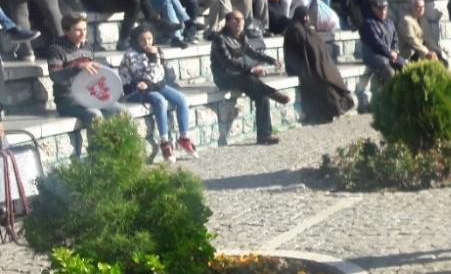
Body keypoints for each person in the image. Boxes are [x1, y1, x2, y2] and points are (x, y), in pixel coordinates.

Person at [118, 26, 197, 162]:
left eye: (149, 39)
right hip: (136, 89)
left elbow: (159, 73)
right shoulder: (130, 55)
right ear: (136, 40)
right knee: (160, 101)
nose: (147, 42)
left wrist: (155, 57)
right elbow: (139, 75)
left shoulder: (157, 50)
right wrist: (153, 60)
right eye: (142, 40)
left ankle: (184, 137)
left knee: (181, 100)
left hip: (157, 85)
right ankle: (165, 142)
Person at [210, 11, 289, 145]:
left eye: (241, 19)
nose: (240, 22)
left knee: (262, 96)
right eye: (235, 19)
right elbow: (227, 62)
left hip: (239, 75)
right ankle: (272, 92)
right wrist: (251, 69)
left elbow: (252, 52)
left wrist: (271, 60)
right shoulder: (220, 38)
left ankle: (264, 135)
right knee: (252, 80)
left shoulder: (241, 36)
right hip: (224, 77)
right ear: (228, 22)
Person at [47, 13, 127, 127]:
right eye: (78, 30)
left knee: (123, 112)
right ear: (66, 31)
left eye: (84, 29)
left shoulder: (87, 48)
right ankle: (97, 145)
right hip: (68, 99)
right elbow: (55, 75)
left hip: (90, 95)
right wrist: (77, 67)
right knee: (95, 115)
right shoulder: (56, 49)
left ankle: (122, 144)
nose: (83, 33)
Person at [283, 6, 354, 123]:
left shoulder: (302, 28)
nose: (307, 18)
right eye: (305, 16)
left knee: (326, 79)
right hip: (304, 66)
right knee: (322, 81)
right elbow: (299, 51)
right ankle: (334, 109)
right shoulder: (295, 30)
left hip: (313, 64)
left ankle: (338, 108)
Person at [358, 0, 405, 85]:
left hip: (389, 54)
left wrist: (394, 51)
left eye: (384, 9)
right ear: (374, 9)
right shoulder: (368, 24)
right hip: (373, 55)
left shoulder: (389, 23)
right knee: (389, 72)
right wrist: (389, 53)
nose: (382, 12)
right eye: (379, 9)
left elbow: (395, 40)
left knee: (405, 65)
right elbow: (376, 43)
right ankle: (388, 94)